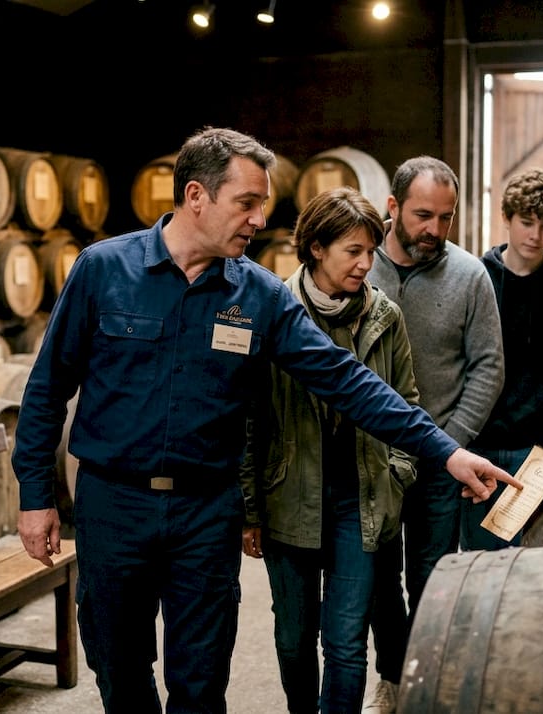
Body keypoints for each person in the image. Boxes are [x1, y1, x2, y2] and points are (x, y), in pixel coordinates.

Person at [10, 127, 520, 714]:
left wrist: (446, 451)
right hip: (112, 506)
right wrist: (35, 496)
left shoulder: (259, 296)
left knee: (200, 681)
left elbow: (347, 380)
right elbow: (48, 388)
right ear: (196, 196)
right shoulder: (103, 270)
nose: (258, 219)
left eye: (263, 205)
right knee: (119, 668)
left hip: (205, 515)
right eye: (246, 203)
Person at [240, 187, 418, 714]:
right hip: (289, 498)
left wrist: (396, 474)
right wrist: (250, 508)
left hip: (359, 501)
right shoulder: (273, 312)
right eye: (353, 251)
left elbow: (407, 402)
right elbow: (249, 420)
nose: (366, 264)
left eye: (371, 252)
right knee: (295, 640)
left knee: (345, 645)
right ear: (316, 247)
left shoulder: (385, 317)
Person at [363, 156, 505, 713]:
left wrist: (448, 443)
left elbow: (488, 367)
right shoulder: (358, 266)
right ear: (393, 208)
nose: (435, 231)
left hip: (440, 459)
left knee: (430, 578)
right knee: (377, 583)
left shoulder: (470, 276)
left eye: (446, 218)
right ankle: (393, 677)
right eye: (423, 216)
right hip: (370, 460)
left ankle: (426, 681)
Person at [462, 167, 543, 550]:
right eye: (526, 222)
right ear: (506, 217)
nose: (535, 235)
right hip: (478, 447)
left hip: (536, 450)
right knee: (478, 564)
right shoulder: (475, 279)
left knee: (532, 569)